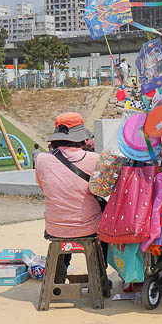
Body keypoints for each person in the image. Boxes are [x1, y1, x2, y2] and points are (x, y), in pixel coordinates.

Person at [34, 112, 109, 294]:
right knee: (104, 219)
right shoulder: (94, 159)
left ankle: (59, 275)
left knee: (65, 223)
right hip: (89, 228)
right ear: (81, 138)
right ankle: (99, 276)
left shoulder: (42, 160)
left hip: (55, 228)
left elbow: (44, 188)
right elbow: (102, 191)